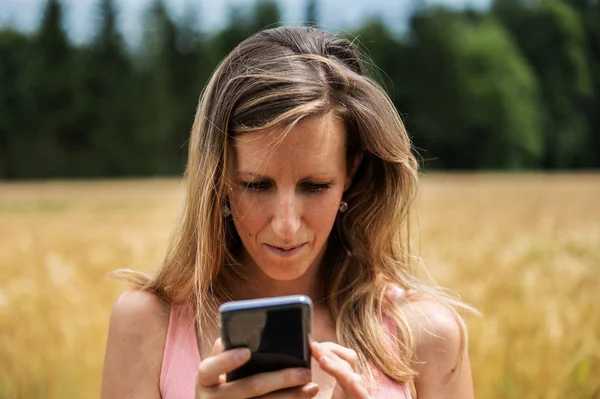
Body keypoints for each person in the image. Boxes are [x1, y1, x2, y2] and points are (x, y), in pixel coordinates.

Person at [100, 26, 475, 399]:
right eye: (256, 184)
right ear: (219, 178)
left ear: (352, 174)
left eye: (314, 186)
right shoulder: (147, 327)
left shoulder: (428, 336)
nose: (286, 225)